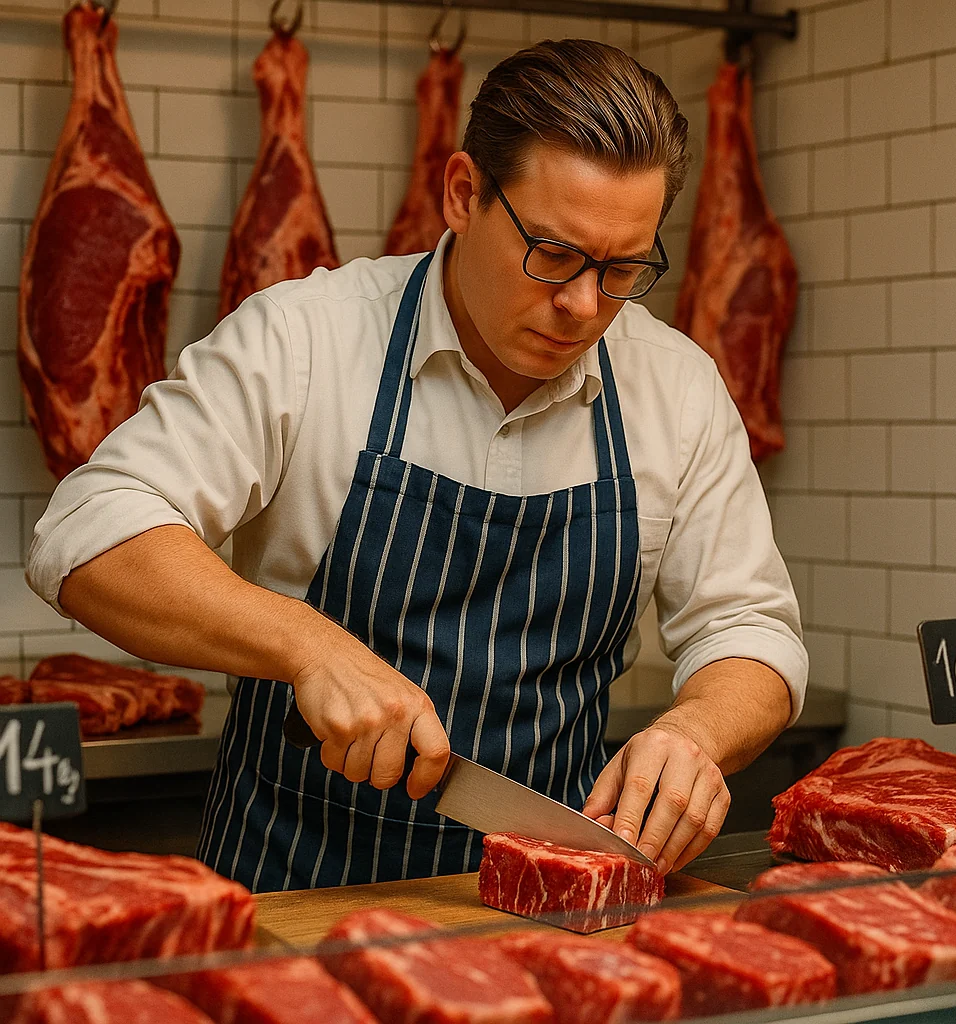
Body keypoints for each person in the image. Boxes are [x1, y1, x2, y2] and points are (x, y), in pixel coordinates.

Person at [26, 38, 807, 892]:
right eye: (552, 254)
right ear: (463, 193)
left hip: (552, 901)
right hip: (295, 893)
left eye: (624, 269)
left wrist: (695, 731)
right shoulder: (305, 338)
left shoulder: (676, 387)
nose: (584, 305)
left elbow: (751, 632)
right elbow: (88, 531)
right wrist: (307, 646)